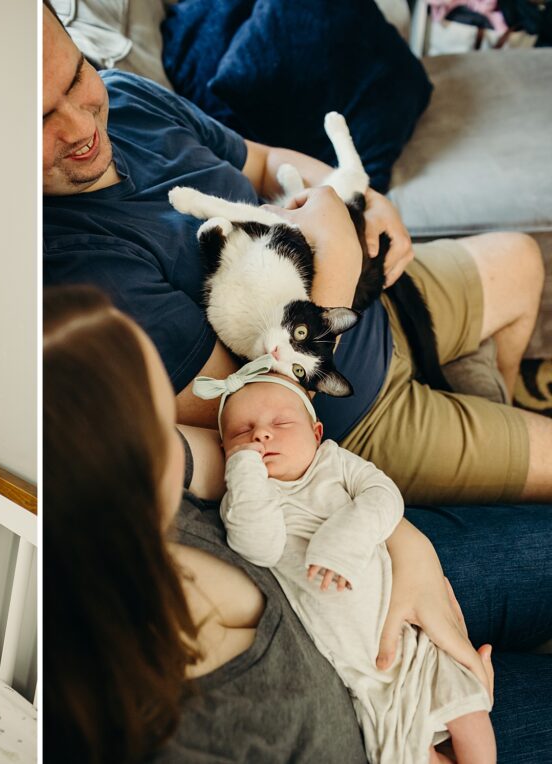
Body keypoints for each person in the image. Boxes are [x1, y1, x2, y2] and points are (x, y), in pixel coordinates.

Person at [41, 1, 552, 504]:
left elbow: (263, 162)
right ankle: (488, 464)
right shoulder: (72, 268)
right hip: (356, 415)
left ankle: (489, 409)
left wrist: (365, 202)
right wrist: (337, 249)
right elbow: (249, 402)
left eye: (75, 77)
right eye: (41, 118)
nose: (81, 126)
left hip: (381, 301)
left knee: (523, 259)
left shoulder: (130, 97)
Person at [44, 283, 552, 763]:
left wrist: (409, 550)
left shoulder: (151, 482)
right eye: (160, 420)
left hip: (381, 573)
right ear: (126, 469)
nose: (180, 434)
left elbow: (340, 482)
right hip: (386, 731)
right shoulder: (177, 732)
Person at [209, 358, 494, 763]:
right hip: (362, 679)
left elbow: (384, 497)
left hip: (412, 644)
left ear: (316, 431)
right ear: (224, 452)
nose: (261, 435)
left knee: (470, 711)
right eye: (242, 432)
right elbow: (259, 547)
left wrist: (342, 540)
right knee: (408, 755)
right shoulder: (248, 503)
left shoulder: (334, 463)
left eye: (281, 423)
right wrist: (244, 470)